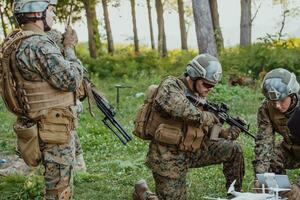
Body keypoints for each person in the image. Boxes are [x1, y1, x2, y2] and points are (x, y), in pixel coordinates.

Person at [0, 0, 85, 199]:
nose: (54, 16)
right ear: (38, 13)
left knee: (55, 183)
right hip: (53, 126)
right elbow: (71, 80)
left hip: (39, 121)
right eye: (51, 10)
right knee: (59, 190)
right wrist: (70, 48)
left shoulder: (19, 40)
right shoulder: (38, 45)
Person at [133, 54, 245, 200]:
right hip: (167, 156)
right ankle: (143, 193)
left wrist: (225, 133)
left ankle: (235, 194)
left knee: (233, 149)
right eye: (207, 84)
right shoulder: (170, 86)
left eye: (212, 86)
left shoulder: (199, 95)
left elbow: (208, 131)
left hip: (192, 149)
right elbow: (187, 112)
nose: (209, 89)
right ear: (193, 76)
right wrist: (212, 116)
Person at [253, 68, 300, 199]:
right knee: (272, 157)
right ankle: (280, 192)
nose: (277, 106)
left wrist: (298, 187)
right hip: (291, 149)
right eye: (273, 102)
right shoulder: (266, 109)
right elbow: (264, 142)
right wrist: (260, 176)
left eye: (282, 100)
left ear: (292, 94)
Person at [47, 29, 87, 172]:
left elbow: (73, 80)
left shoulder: (55, 61)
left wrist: (68, 48)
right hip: (57, 113)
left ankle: (78, 162)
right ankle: (78, 163)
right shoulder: (51, 60)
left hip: (62, 113)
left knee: (68, 120)